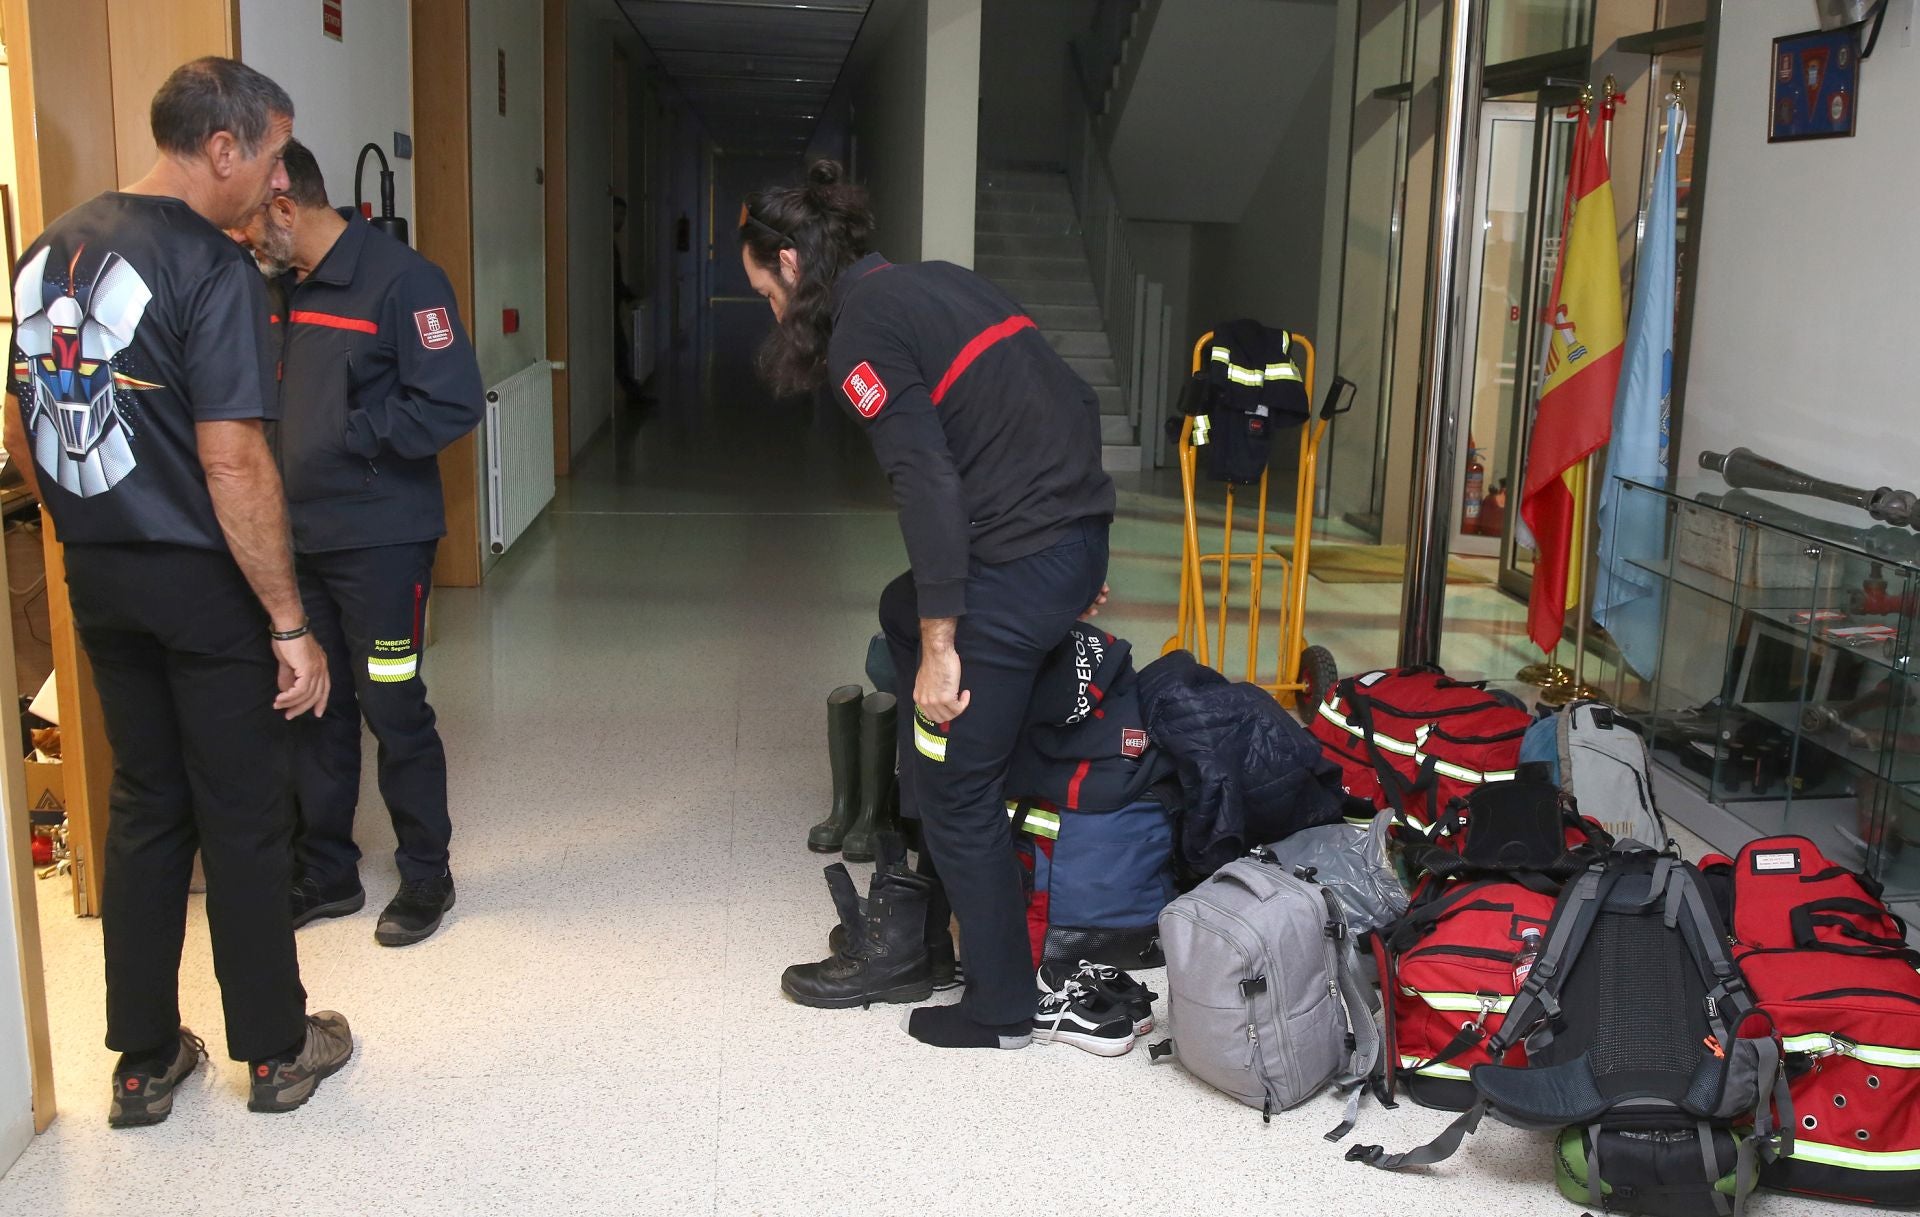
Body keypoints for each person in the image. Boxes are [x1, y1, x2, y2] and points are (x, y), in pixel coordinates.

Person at [3, 57, 351, 1125]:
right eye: (275, 151)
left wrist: (79, 528)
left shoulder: (45, 248)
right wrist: (290, 623)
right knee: (243, 812)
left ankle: (144, 1059)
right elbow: (234, 459)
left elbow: (19, 423)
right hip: (204, 582)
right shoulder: (215, 269)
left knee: (146, 804)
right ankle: (276, 1050)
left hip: (99, 573)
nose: (280, 176)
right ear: (223, 148)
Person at [741, 161, 1115, 1050]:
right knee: (898, 609)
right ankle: (927, 869)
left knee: (956, 789)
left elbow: (928, 487)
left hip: (1020, 557)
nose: (767, 309)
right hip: (1061, 539)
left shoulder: (861, 335)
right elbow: (1072, 394)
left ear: (791, 263)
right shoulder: (933, 284)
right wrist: (1075, 534)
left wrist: (946, 646)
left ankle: (999, 1005)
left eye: (762, 289)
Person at [236, 140, 483, 946]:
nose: (242, 240)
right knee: (313, 706)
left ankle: (425, 875)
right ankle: (328, 871)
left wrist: (352, 432)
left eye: (248, 223)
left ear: (284, 204)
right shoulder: (276, 287)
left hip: (382, 544)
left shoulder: (403, 279)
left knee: (391, 703)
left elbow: (450, 404)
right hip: (292, 546)